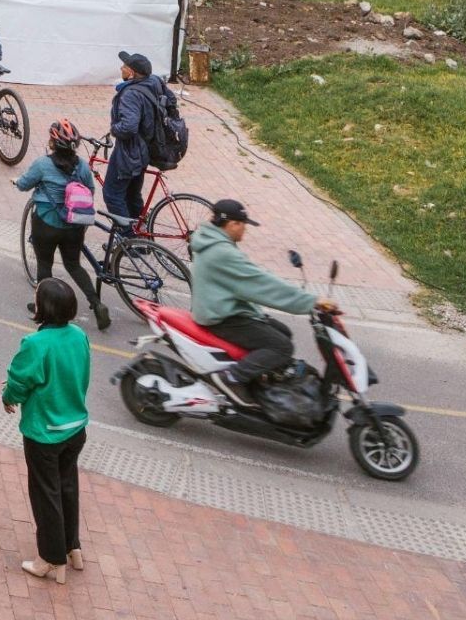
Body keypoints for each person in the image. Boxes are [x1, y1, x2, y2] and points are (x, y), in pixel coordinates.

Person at [189, 199, 336, 398]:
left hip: (220, 306)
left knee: (283, 332)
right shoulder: (221, 252)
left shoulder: (211, 240)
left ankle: (259, 379)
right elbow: (261, 284)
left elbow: (253, 274)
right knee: (282, 347)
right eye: (243, 225)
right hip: (221, 316)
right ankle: (232, 378)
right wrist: (311, 301)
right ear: (233, 224)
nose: (245, 231)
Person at [4, 277, 93, 585]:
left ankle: (50, 559)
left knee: (46, 494)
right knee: (68, 486)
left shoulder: (36, 344)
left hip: (44, 433)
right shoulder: (79, 335)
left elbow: (18, 381)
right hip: (75, 428)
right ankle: (72, 547)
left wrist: (8, 398)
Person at [14, 120, 111, 329]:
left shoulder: (42, 164)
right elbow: (90, 191)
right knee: (74, 265)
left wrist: (17, 181)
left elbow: (23, 185)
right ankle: (96, 303)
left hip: (46, 224)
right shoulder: (82, 166)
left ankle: (43, 308)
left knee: (45, 265)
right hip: (74, 226)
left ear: (52, 142)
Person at [106, 51, 170, 222]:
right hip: (144, 150)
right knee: (132, 195)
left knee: (112, 195)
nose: (121, 68)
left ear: (132, 73)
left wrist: (114, 128)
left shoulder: (131, 94)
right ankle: (140, 239)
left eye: (125, 67)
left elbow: (128, 127)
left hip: (129, 153)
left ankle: (128, 238)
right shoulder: (154, 82)